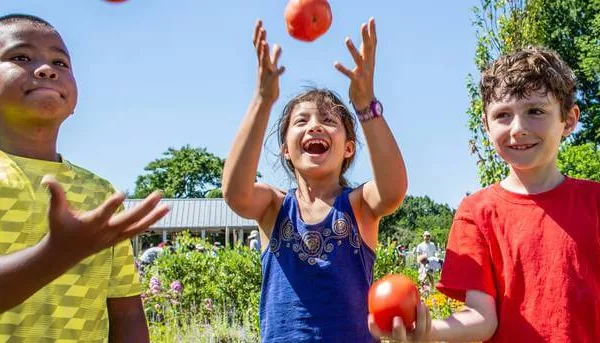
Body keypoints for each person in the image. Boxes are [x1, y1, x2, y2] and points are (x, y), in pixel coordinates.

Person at [368, 47, 600, 342]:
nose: (518, 128)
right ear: (486, 126)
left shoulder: (594, 203)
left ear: (568, 120)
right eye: (503, 115)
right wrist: (430, 330)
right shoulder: (476, 212)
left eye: (536, 111)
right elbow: (481, 316)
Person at [222, 18, 407, 342]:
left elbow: (392, 190)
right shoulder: (273, 205)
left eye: (328, 120)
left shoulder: (358, 205)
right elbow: (235, 193)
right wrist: (263, 101)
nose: (314, 127)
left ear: (348, 147)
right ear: (286, 151)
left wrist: (365, 105)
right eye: (301, 121)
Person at [0, 14, 170, 342]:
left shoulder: (100, 194)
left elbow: (127, 312)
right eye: (21, 57)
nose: (47, 69)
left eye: (60, 62)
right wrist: (55, 254)